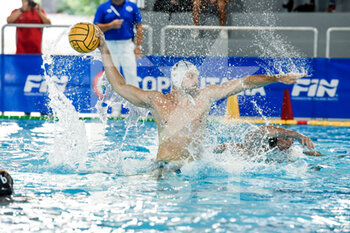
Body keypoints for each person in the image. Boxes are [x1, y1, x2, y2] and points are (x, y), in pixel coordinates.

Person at [96, 27, 308, 173]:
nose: (197, 79)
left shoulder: (205, 97)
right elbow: (120, 86)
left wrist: (275, 78)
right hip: (163, 167)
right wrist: (103, 47)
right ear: (177, 79)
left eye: (197, 75)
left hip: (195, 170)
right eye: (191, 76)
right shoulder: (157, 100)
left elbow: (245, 82)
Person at [94, 0, 143, 88]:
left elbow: (139, 27)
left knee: (131, 75)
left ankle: (133, 101)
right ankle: (107, 100)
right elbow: (96, 28)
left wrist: (138, 46)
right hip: (108, 45)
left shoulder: (132, 6)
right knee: (109, 76)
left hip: (127, 45)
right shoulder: (103, 7)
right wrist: (110, 25)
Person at [214, 125, 326, 157]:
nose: (288, 143)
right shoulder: (258, 149)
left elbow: (303, 153)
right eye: (286, 138)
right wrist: (296, 134)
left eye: (291, 140)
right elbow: (261, 131)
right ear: (276, 139)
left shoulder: (289, 152)